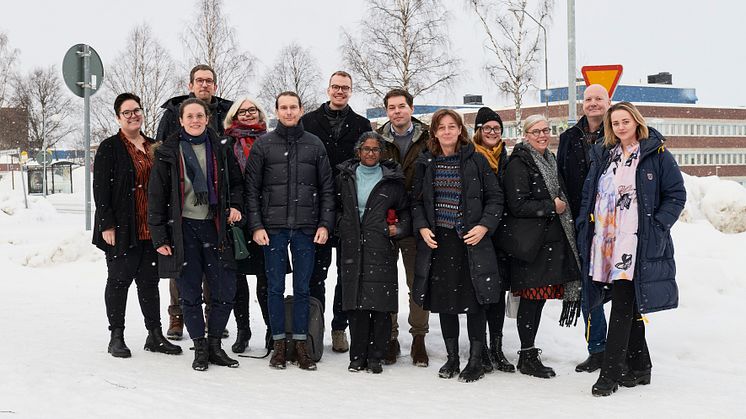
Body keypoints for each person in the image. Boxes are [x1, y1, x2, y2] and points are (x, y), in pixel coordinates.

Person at [576, 102, 685, 396]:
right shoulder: (605, 153)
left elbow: (676, 194)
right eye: (616, 123)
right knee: (629, 303)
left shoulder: (655, 154)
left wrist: (658, 225)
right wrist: (584, 226)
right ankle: (641, 367)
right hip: (606, 239)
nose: (621, 127)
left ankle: (609, 374)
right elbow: (590, 192)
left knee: (623, 302)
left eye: (626, 121)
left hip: (635, 241)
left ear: (636, 122)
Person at [148, 98, 244, 371]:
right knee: (189, 292)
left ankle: (215, 344)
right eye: (189, 116)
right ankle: (200, 347)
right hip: (184, 230)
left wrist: (235, 205)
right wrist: (160, 237)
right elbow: (156, 197)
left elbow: (236, 183)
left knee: (225, 290)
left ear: (207, 118)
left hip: (216, 227)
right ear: (180, 120)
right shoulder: (168, 152)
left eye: (199, 115)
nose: (195, 120)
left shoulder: (221, 148)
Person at [245, 91, 335, 371]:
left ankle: (301, 344)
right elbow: (252, 191)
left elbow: (327, 189)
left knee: (302, 287)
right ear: (276, 111)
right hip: (273, 228)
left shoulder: (314, 144)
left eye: (292, 107)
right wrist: (257, 225)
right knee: (274, 286)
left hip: (307, 228)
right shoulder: (264, 145)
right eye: (282, 108)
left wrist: (324, 223)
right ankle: (279, 343)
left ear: (300, 109)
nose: (288, 112)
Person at [411, 109, 503, 383]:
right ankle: (452, 358)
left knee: (474, 300)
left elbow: (496, 198)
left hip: (470, 240)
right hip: (439, 241)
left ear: (460, 130)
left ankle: (475, 360)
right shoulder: (426, 161)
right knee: (444, 301)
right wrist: (423, 226)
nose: (448, 131)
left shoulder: (475, 159)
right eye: (442, 127)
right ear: (435, 132)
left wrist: (484, 226)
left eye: (453, 126)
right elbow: (416, 201)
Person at [93, 93, 182, 358]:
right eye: (127, 112)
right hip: (122, 229)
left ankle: (154, 335)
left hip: (151, 229)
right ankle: (116, 336)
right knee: (119, 281)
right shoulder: (110, 147)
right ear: (118, 117)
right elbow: (101, 189)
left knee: (149, 283)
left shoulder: (155, 146)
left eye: (137, 110)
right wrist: (106, 224)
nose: (133, 116)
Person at [156, 64, 234, 340]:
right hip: (182, 202)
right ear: (190, 85)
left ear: (215, 85)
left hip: (214, 207)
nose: (204, 85)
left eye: (209, 81)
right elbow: (162, 152)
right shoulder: (172, 114)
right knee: (184, 269)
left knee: (214, 268)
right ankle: (178, 316)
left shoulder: (226, 113)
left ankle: (213, 318)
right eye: (199, 81)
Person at [500, 114, 582, 379]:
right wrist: (552, 207)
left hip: (549, 244)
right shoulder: (519, 163)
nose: (542, 135)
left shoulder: (549, 159)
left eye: (546, 130)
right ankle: (526, 354)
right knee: (531, 301)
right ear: (525, 135)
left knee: (539, 300)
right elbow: (517, 204)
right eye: (536, 131)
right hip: (531, 246)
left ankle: (529, 351)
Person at [301, 71, 372, 353]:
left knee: (347, 272)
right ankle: (314, 325)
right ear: (328, 89)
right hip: (315, 209)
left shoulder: (362, 124)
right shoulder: (309, 123)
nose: (340, 91)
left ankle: (339, 327)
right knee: (316, 272)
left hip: (348, 208)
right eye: (335, 87)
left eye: (345, 87)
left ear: (351, 91)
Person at [336, 132, 410, 374]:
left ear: (381, 152)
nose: (370, 153)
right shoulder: (345, 177)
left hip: (381, 245)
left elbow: (406, 214)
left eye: (375, 149)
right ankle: (357, 356)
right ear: (358, 151)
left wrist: (397, 228)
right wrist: (343, 224)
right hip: (352, 245)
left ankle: (376, 356)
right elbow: (333, 207)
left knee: (380, 304)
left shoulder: (392, 181)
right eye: (366, 149)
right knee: (355, 304)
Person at [558, 84, 612, 373]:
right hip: (582, 223)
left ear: (608, 102)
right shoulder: (569, 137)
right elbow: (562, 176)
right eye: (588, 99)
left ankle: (623, 347)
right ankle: (598, 349)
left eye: (598, 99)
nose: (593, 104)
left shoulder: (618, 132)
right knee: (588, 287)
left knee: (621, 288)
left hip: (614, 223)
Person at [377, 88, 430, 366]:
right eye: (391, 107)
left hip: (418, 219)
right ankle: (390, 337)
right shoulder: (377, 139)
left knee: (416, 281)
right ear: (386, 111)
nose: (397, 111)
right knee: (386, 283)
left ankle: (419, 337)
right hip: (386, 218)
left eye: (401, 106)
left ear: (411, 108)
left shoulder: (427, 138)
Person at [222, 97, 271, 353]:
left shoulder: (271, 141)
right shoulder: (227, 144)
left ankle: (271, 330)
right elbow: (225, 180)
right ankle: (243, 329)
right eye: (243, 111)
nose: (249, 114)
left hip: (266, 218)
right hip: (237, 217)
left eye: (253, 110)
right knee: (237, 279)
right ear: (234, 115)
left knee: (266, 278)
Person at [471, 106, 514, 374]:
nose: (492, 133)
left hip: (503, 234)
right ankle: (481, 348)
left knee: (498, 293)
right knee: (479, 292)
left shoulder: (507, 157)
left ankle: (497, 346)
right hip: (479, 231)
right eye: (487, 128)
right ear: (478, 131)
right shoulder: (471, 156)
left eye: (496, 128)